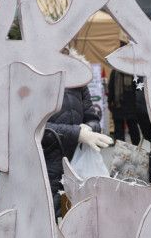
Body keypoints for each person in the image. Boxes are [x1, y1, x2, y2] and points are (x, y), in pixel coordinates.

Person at [42, 85, 112, 216]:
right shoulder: (35, 78)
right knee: (46, 220)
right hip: (45, 166)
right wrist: (77, 133)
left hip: (79, 165)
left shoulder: (78, 81)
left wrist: (89, 128)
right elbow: (33, 127)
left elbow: (92, 118)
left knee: (81, 219)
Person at [107, 68, 141, 144]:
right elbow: (139, 88)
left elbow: (111, 88)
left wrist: (109, 102)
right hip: (128, 105)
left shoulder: (115, 71)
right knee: (132, 130)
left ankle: (121, 152)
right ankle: (137, 151)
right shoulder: (133, 72)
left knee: (127, 130)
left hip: (121, 104)